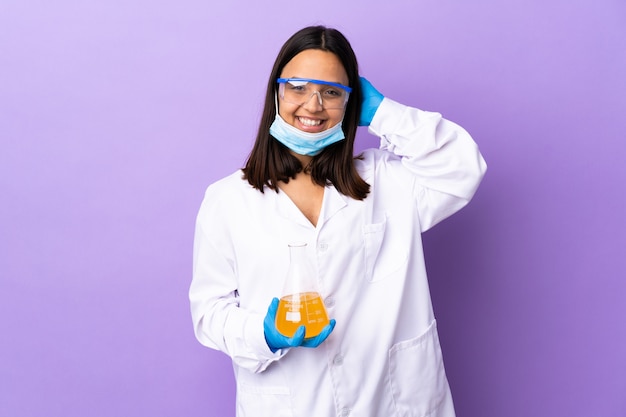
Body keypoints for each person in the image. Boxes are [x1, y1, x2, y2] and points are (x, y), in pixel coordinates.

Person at [190, 25, 487, 417]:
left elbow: (463, 166)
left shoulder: (387, 182)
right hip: (292, 401)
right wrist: (261, 335)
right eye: (298, 86)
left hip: (392, 401)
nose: (313, 105)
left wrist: (384, 113)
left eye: (331, 92)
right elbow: (210, 312)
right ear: (276, 93)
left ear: (351, 105)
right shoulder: (228, 200)